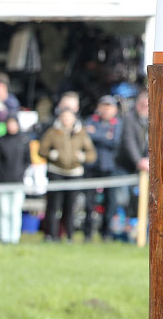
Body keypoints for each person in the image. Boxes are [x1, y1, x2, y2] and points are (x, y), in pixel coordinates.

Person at [39, 109, 96, 241]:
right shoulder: (53, 132)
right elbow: (42, 149)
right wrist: (51, 154)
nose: (66, 120)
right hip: (56, 172)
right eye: (64, 117)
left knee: (70, 207)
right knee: (53, 206)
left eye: (69, 117)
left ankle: (69, 235)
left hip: (74, 173)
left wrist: (82, 156)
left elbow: (92, 154)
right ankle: (51, 235)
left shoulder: (81, 133)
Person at [82, 95, 124, 241]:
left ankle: (106, 233)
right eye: (103, 106)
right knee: (89, 203)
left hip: (110, 167)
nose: (106, 109)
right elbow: (87, 137)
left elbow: (115, 141)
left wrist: (96, 134)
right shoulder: (90, 120)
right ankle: (87, 233)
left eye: (109, 106)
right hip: (92, 167)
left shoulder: (118, 123)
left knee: (110, 202)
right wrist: (105, 136)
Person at [0, 115, 33, 244]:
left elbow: (27, 160)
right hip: (2, 181)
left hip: (18, 181)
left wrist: (21, 173)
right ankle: (4, 237)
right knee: (3, 211)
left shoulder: (24, 140)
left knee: (15, 211)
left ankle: (14, 238)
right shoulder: (1, 141)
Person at [115, 90, 149, 216]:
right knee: (122, 199)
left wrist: (148, 160)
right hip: (125, 165)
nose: (145, 108)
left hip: (144, 166)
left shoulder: (152, 120)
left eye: (147, 106)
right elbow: (128, 141)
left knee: (140, 199)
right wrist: (138, 160)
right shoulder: (129, 118)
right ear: (137, 104)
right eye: (142, 105)